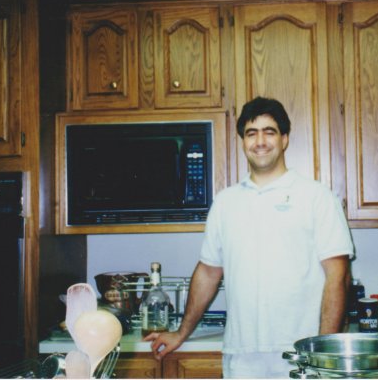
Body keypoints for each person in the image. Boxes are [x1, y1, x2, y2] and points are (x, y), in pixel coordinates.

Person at [144, 96, 354, 378]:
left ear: (284, 139)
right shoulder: (225, 203)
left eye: (270, 132)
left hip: (302, 356)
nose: (260, 141)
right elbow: (208, 272)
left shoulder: (317, 197)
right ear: (243, 141)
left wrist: (322, 351)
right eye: (251, 133)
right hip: (241, 358)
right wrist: (181, 332)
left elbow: (338, 276)